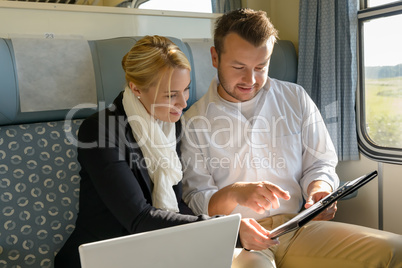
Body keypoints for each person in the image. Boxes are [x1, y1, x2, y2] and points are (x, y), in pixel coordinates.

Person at [181, 8, 402, 268]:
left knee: (396, 250)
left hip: (298, 228)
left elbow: (319, 163)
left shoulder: (295, 98)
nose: (250, 80)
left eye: (260, 67)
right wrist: (234, 194)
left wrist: (320, 190)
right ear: (215, 58)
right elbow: (196, 199)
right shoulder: (193, 121)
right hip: (238, 237)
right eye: (239, 67)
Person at [54, 35, 210, 268]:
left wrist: (220, 228)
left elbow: (174, 200)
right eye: (171, 95)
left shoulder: (170, 123)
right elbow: (138, 217)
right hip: (101, 256)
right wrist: (217, 228)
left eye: (186, 90)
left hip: (152, 252)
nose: (183, 103)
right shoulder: (100, 129)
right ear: (136, 88)